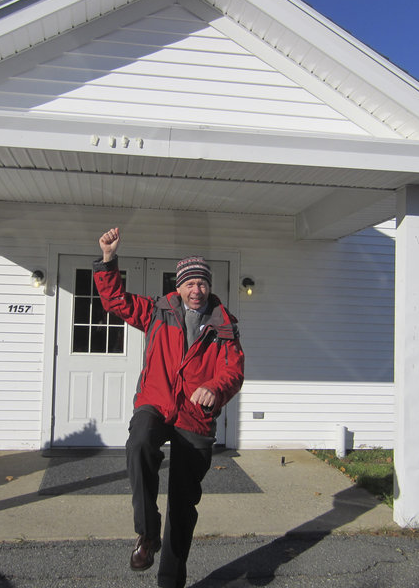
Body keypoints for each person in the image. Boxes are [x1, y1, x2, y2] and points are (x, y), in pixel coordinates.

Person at [94, 227, 245, 588]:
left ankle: (170, 580)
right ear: (178, 287)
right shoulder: (156, 311)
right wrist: (108, 259)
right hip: (157, 403)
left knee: (183, 505)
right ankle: (147, 534)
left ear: (209, 287)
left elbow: (234, 370)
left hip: (195, 418)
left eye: (202, 284)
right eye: (190, 284)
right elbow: (114, 301)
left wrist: (214, 387)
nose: (196, 290)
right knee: (140, 442)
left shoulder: (225, 326)